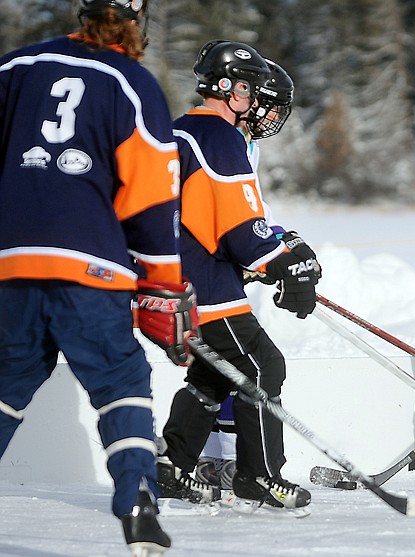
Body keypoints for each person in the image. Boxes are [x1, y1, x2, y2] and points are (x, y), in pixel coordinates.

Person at [0, 1, 196, 554]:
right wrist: (161, 287)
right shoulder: (131, 82)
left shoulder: (14, 68)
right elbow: (154, 201)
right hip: (92, 267)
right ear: (136, 20)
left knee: (7, 383)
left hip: (11, 263)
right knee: (120, 382)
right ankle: (137, 500)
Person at [156, 40, 320, 511]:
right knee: (263, 367)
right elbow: (239, 227)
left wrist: (273, 252)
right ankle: (260, 476)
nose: (255, 102)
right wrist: (280, 263)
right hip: (204, 283)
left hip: (178, 279)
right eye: (250, 89)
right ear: (228, 89)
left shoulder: (182, 131)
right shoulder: (219, 136)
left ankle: (172, 465)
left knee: (213, 374)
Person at [193, 58, 305, 491]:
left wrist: (279, 241)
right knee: (252, 364)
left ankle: (210, 460)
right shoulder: (220, 139)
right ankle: (244, 468)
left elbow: (251, 208)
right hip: (201, 270)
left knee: (224, 366)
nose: (274, 118)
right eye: (271, 107)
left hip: (219, 268)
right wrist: (263, 250)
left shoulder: (244, 144)